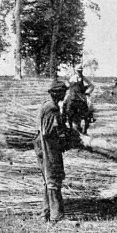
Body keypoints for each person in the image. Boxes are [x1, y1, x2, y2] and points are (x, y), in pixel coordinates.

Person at [36, 79, 78, 224]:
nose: (64, 95)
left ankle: (45, 213)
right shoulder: (52, 108)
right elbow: (49, 132)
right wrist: (64, 138)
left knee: (47, 180)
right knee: (53, 179)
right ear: (57, 94)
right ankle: (56, 216)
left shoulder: (46, 105)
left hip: (42, 146)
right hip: (48, 147)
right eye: (63, 93)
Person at [60, 64, 95, 135]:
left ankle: (90, 118)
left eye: (80, 71)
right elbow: (68, 86)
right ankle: (63, 117)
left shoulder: (85, 79)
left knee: (90, 105)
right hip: (72, 94)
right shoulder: (72, 78)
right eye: (78, 71)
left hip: (81, 95)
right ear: (75, 71)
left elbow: (91, 86)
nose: (79, 72)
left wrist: (87, 93)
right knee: (63, 104)